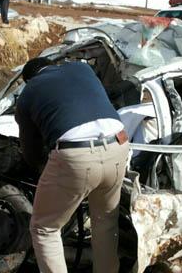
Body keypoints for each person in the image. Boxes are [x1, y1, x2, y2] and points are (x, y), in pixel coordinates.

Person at [15, 57, 130, 273]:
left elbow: (30, 149)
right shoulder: (81, 68)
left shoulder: (29, 92)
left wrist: (41, 168)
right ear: (53, 65)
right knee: (105, 221)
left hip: (76, 155)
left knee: (44, 228)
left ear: (29, 79)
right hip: (119, 143)